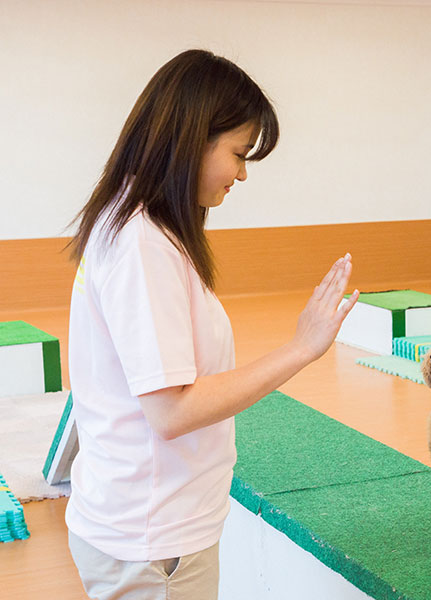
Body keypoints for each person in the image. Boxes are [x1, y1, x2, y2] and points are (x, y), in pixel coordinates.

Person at [65, 49, 359, 600]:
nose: (243, 173)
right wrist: (300, 349)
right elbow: (172, 410)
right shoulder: (141, 244)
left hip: (146, 528)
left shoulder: (137, 222)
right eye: (238, 153)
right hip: (151, 541)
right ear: (191, 138)